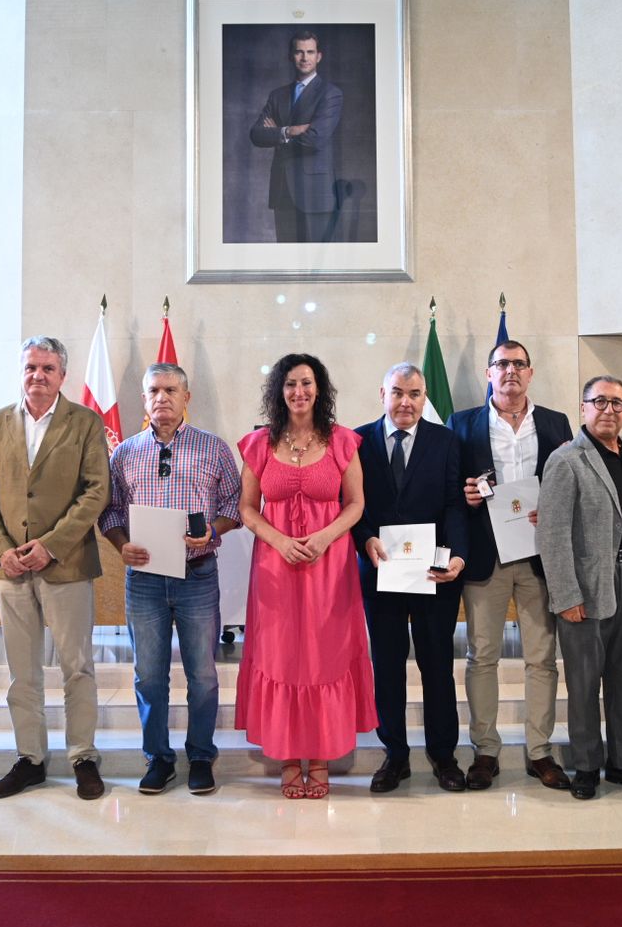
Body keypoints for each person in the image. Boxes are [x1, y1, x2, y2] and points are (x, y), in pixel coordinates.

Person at [0, 336, 111, 801]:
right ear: (21, 370)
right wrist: (1, 548)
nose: (38, 376)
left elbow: (95, 492)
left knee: (77, 667)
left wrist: (50, 546)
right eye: (31, 367)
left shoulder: (85, 422)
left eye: (48, 368)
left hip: (65, 565)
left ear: (62, 375)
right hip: (9, 569)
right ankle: (30, 758)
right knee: (22, 672)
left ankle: (83, 757)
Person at [235, 353, 374, 798]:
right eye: (291, 384)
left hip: (329, 568)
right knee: (282, 658)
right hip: (275, 570)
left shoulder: (342, 441)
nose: (299, 392)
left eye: (307, 383)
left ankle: (320, 759)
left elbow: (356, 503)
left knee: (323, 657)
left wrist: (325, 537)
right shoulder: (258, 444)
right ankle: (289, 759)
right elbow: (246, 508)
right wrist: (278, 541)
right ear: (279, 391)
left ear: (320, 389)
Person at [101, 363, 242, 796]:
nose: (161, 398)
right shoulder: (124, 452)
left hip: (197, 575)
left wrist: (213, 531)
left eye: (169, 390)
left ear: (186, 398)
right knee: (148, 674)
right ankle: (157, 759)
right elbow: (110, 511)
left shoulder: (213, 448)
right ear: (143, 400)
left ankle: (200, 755)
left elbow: (235, 505)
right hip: (143, 578)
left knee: (202, 673)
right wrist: (120, 544)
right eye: (153, 391)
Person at [448, 340, 573, 791]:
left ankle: (539, 751)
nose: (511, 371)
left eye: (519, 364)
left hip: (541, 557)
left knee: (542, 657)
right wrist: (462, 495)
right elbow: (449, 491)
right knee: (483, 656)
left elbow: (570, 480)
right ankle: (485, 750)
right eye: (502, 364)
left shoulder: (557, 423)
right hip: (487, 555)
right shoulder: (463, 424)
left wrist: (554, 507)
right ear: (488, 373)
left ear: (531, 373)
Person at [538, 377, 622, 800]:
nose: (609, 410)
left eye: (617, 403)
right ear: (584, 408)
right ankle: (587, 765)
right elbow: (551, 535)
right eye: (600, 402)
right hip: (587, 586)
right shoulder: (566, 459)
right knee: (585, 680)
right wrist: (566, 595)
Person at [352, 363, 469, 793]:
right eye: (398, 392)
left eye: (415, 394)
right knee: (387, 665)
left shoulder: (447, 440)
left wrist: (457, 557)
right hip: (380, 571)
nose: (406, 401)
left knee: (437, 665)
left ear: (424, 398)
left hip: (433, 573)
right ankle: (395, 755)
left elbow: (456, 504)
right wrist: (364, 539)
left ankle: (443, 756)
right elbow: (352, 505)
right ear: (382, 392)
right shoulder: (357, 440)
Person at [248, 30, 344, 242]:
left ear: (319, 56)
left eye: (310, 52)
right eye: (299, 52)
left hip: (315, 194)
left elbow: (315, 139)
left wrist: (277, 135)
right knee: (287, 263)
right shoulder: (277, 95)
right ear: (290, 56)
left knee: (315, 266)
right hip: (283, 191)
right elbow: (256, 134)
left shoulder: (330, 94)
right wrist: (289, 130)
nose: (304, 58)